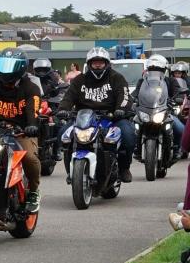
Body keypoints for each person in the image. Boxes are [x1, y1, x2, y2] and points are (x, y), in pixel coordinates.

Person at [0, 49, 42, 212]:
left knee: (30, 158)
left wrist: (31, 126)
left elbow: (34, 111)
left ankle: (33, 192)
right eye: (3, 64)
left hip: (20, 133)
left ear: (21, 67)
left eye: (10, 65)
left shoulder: (30, 88)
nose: (6, 69)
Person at [57, 47, 135, 183]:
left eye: (101, 62)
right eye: (94, 62)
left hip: (112, 117)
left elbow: (124, 95)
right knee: (63, 135)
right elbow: (69, 96)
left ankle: (124, 168)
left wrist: (121, 109)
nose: (98, 64)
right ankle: (72, 172)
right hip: (83, 119)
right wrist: (63, 109)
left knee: (128, 135)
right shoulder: (79, 80)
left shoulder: (116, 77)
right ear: (89, 64)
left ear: (106, 63)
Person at [133, 54, 184, 148]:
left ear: (164, 70)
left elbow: (178, 92)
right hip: (146, 110)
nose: (155, 72)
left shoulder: (171, 81)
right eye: (152, 69)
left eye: (158, 69)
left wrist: (178, 98)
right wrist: (132, 99)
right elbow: (136, 92)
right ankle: (136, 147)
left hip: (166, 110)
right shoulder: (142, 81)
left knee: (180, 129)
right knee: (133, 125)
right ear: (148, 69)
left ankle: (177, 149)